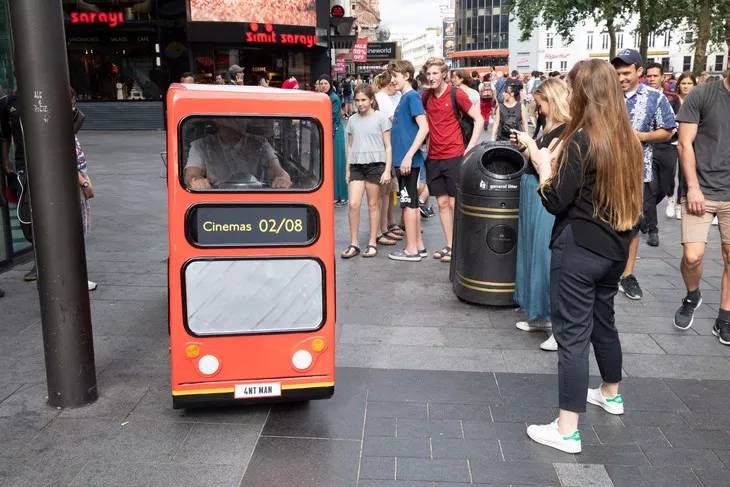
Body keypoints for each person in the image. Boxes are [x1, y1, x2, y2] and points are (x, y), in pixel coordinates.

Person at [526, 59, 643, 454]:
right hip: (614, 249)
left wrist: (544, 167)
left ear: (583, 92)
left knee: (572, 337)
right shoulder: (628, 137)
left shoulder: (581, 139)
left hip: (578, 247)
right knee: (602, 321)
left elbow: (555, 200)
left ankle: (566, 430)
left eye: (573, 87)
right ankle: (611, 392)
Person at [510, 78, 571, 352]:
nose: (538, 108)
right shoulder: (546, 125)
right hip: (531, 190)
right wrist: (525, 144)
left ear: (553, 101)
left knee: (545, 258)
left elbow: (546, 163)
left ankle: (558, 326)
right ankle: (539, 314)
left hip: (545, 194)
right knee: (532, 254)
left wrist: (530, 146)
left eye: (541, 103)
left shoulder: (567, 130)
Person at [611, 49, 675, 300]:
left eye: (626, 73)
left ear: (639, 71)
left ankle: (627, 275)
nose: (621, 78)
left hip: (639, 172)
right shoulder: (606, 96)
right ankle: (606, 269)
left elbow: (668, 130)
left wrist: (642, 137)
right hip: (604, 170)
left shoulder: (655, 98)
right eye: (617, 73)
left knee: (633, 224)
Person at [672, 66, 730, 343]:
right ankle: (693, 294)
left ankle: (725, 317)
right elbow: (684, 144)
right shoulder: (703, 95)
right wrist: (692, 187)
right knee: (693, 256)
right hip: (701, 190)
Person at [421, 57, 484, 263]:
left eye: (435, 73)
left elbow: (479, 119)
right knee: (441, 204)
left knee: (456, 204)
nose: (431, 77)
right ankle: (450, 245)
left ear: (444, 74)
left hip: (455, 155)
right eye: (429, 74)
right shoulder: (425, 97)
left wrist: (470, 147)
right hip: (434, 157)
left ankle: (460, 246)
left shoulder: (457, 93)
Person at [340, 85, 392, 259]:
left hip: (375, 165)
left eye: (363, 100)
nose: (360, 103)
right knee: (353, 204)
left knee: (372, 204)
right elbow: (349, 145)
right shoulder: (352, 120)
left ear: (371, 100)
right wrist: (347, 169)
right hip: (356, 165)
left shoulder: (381, 118)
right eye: (357, 100)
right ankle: (354, 243)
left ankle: (372, 242)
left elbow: (388, 146)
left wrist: (387, 170)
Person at [387, 60, 430, 262]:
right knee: (409, 202)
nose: (392, 80)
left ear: (406, 76)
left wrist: (408, 155)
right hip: (405, 161)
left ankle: (411, 249)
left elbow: (424, 127)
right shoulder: (407, 98)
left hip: (407, 162)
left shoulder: (411, 96)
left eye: (395, 76)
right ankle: (418, 246)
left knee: (408, 204)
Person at [184, 118, 291, 190]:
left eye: (240, 121)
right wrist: (196, 180)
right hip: (217, 200)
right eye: (230, 122)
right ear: (219, 123)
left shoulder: (259, 142)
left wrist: (282, 178)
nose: (237, 125)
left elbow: (276, 169)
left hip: (253, 197)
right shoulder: (202, 144)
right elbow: (192, 174)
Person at [644, 62, 678, 247]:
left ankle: (643, 210)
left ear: (662, 77)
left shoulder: (672, 99)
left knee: (665, 188)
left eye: (655, 76)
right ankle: (652, 229)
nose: (651, 79)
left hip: (667, 146)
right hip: (649, 147)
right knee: (650, 187)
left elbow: (680, 120)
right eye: (649, 76)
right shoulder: (642, 98)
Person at [666, 72, 698, 220]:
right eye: (683, 83)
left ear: (694, 85)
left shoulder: (697, 100)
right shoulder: (672, 99)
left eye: (689, 84)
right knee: (670, 172)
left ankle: (679, 203)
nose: (686, 86)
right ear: (679, 84)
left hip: (689, 142)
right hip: (672, 141)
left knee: (684, 173)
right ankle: (670, 197)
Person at [319, 74, 348, 206]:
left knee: (337, 164)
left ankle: (340, 196)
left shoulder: (334, 98)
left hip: (335, 134)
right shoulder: (323, 98)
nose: (323, 86)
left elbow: (331, 118)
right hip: (329, 132)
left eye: (325, 83)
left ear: (330, 84)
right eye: (321, 83)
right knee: (331, 164)